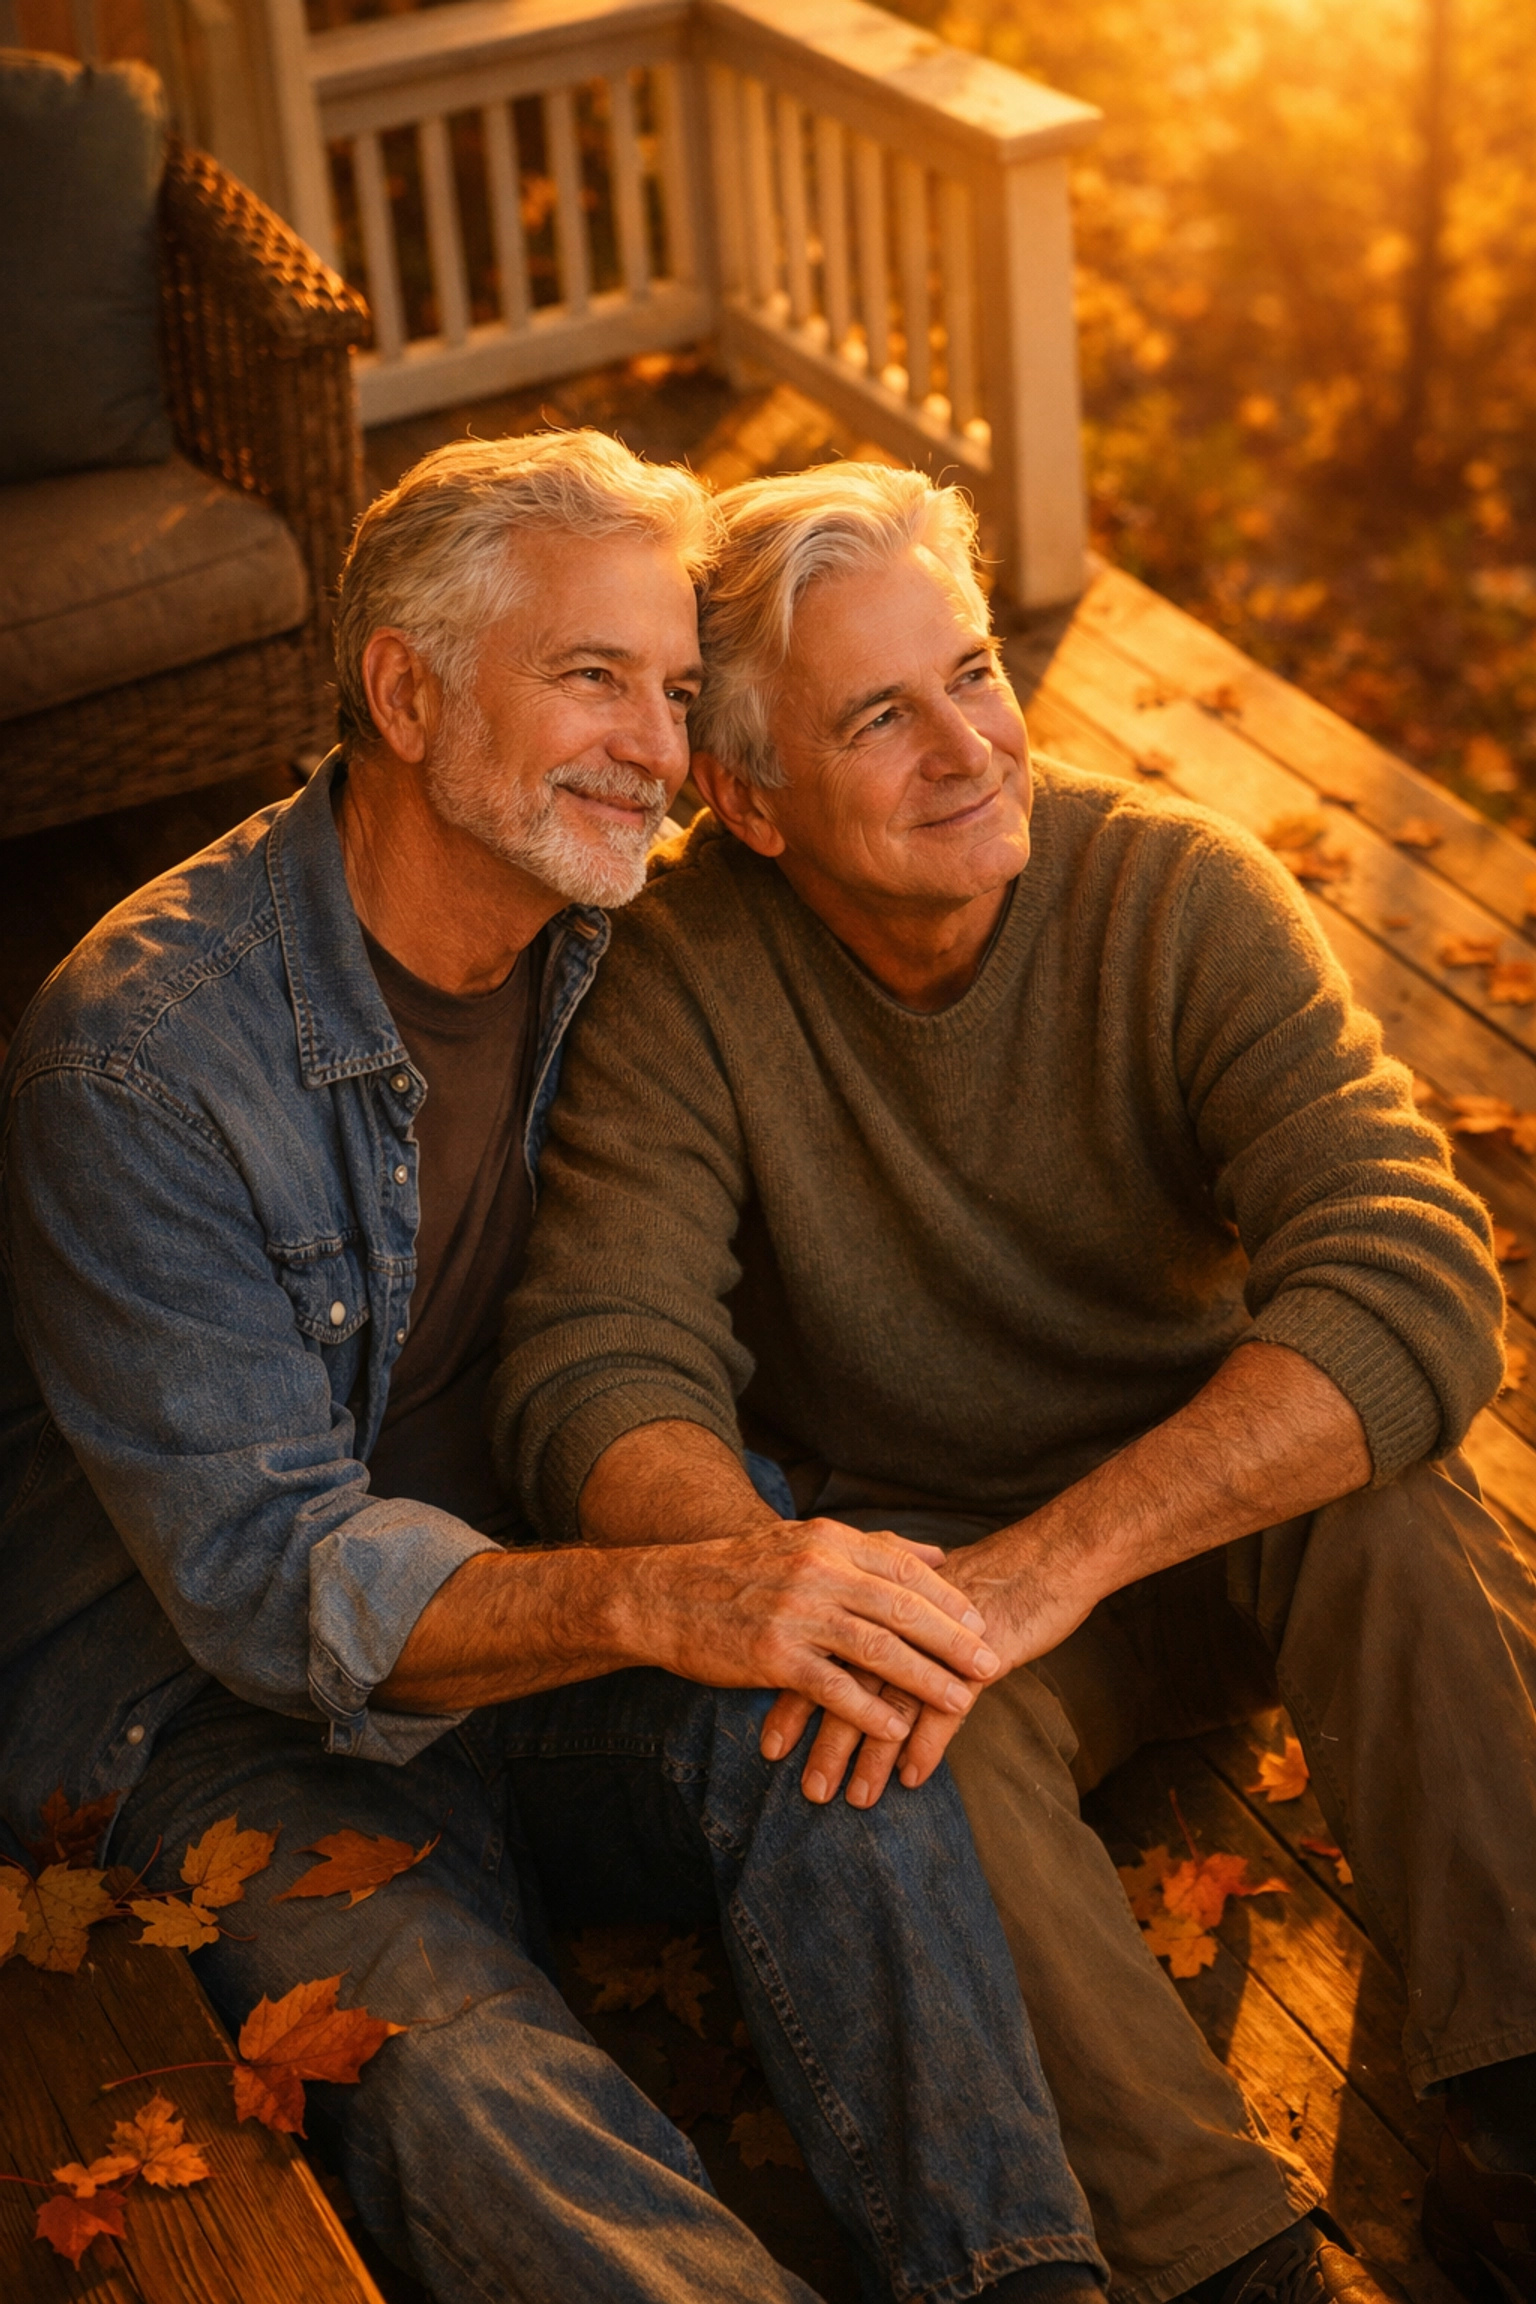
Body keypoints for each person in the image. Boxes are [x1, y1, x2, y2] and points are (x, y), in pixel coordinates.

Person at [0, 432, 1110, 2304]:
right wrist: (683, 1590)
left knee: (845, 1721)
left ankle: (1026, 2281)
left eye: (676, 695)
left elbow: (917, 825)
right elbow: (275, 1588)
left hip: (548, 1618)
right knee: (463, 2078)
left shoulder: (620, 938)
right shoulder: (139, 1056)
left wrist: (741, 1583)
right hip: (218, 1723)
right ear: (407, 692)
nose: (657, 751)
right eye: (592, 678)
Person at [493, 460, 1536, 2304]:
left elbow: (1412, 1273)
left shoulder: (1177, 896)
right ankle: (1233, 2263)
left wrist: (1054, 1560)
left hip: (1208, 1534)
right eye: (879, 717)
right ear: (746, 799)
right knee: (879, 1717)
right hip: (970, 1623)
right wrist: (772, 1585)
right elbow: (598, 1362)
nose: (971, 749)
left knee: (1400, 1494)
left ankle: (1524, 2096)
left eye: (973, 673)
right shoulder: (678, 989)